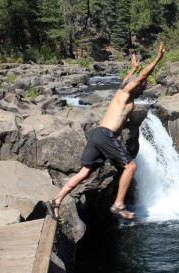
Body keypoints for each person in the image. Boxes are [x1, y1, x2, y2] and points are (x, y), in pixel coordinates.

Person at [45, 42, 166, 222]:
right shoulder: (126, 93)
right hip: (105, 135)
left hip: (97, 134)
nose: (142, 86)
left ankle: (56, 200)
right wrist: (157, 58)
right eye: (142, 85)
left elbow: (129, 79)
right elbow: (141, 76)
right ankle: (118, 204)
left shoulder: (121, 91)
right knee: (130, 167)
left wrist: (132, 68)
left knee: (85, 172)